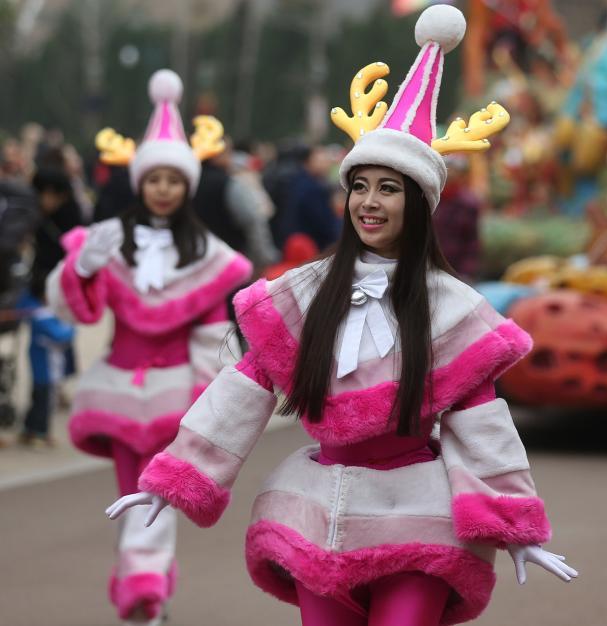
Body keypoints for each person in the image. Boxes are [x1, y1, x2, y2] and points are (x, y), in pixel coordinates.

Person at [108, 7, 577, 626]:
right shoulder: (303, 294)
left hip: (420, 514)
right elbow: (242, 391)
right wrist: (178, 475)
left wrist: (515, 519)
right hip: (316, 514)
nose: (370, 202)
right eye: (360, 185)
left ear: (420, 203)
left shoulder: (450, 306)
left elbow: (481, 421)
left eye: (389, 187)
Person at [46, 69, 252, 625]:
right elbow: (74, 312)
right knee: (132, 496)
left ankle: (144, 594)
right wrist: (81, 269)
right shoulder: (108, 242)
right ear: (140, 182)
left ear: (187, 186)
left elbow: (214, 335)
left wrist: (211, 404)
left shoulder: (208, 254)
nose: (164, 188)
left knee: (153, 496)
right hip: (118, 391)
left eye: (174, 179)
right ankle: (144, 591)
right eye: (155, 178)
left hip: (173, 397)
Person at [18, 271, 75, 448]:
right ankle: (39, 433)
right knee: (45, 403)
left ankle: (28, 430)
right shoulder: (41, 315)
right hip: (46, 368)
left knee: (38, 399)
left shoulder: (38, 310)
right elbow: (61, 335)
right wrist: (72, 326)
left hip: (44, 367)